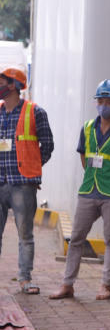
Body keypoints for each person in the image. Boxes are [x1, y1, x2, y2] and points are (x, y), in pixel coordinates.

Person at [50, 79, 110, 301]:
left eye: (108, 101)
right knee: (76, 238)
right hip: (89, 190)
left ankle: (106, 285)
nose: (103, 105)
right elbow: (84, 158)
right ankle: (67, 284)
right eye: (100, 101)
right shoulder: (88, 128)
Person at [0, 67, 54, 295]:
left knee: (25, 235)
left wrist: (32, 169)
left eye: (2, 81)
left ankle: (25, 279)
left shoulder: (35, 112)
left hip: (22, 183)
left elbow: (47, 145)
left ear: (13, 85)